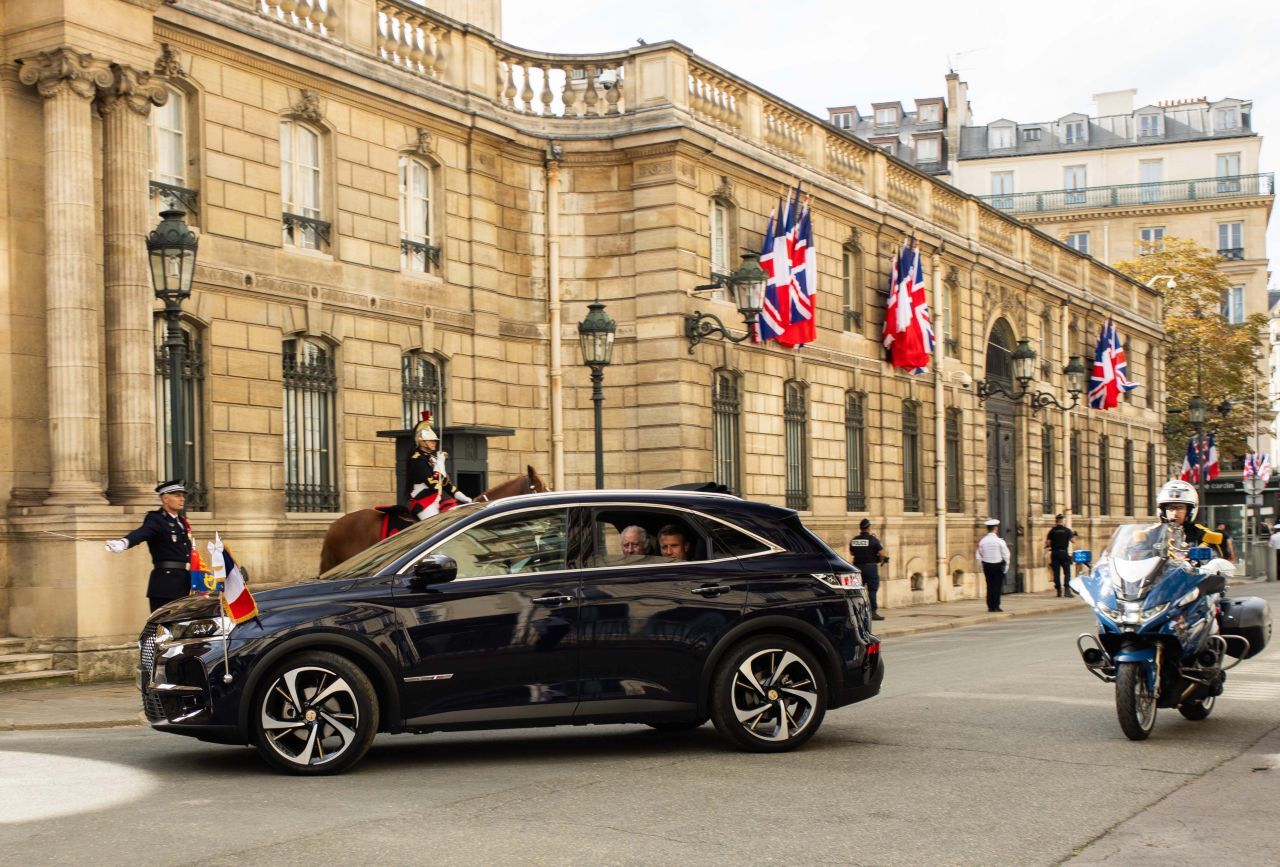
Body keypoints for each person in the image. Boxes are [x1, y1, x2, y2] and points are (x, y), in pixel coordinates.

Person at [105, 480, 195, 612]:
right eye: (177, 495)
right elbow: (143, 532)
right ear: (165, 498)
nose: (182, 499)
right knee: (161, 627)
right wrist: (124, 543)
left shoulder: (181, 522)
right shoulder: (156, 519)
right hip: (166, 583)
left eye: (182, 495)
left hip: (184, 580)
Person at [405, 411, 470, 519]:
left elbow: (444, 482)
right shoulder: (416, 459)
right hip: (423, 502)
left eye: (435, 440)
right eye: (431, 440)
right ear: (422, 441)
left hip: (437, 500)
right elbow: (433, 483)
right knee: (435, 529)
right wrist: (439, 464)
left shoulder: (432, 459)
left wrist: (461, 496)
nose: (434, 442)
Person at [1155, 480, 1224, 557]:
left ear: (1189, 511)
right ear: (1163, 511)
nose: (1175, 513)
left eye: (1180, 508)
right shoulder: (1153, 533)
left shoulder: (1202, 535)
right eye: (1170, 508)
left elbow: (1215, 562)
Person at [848, 518, 887, 621]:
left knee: (858, 591)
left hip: (857, 568)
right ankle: (873, 612)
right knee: (872, 590)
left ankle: (857, 612)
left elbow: (851, 553)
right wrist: (882, 559)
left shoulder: (854, 540)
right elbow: (882, 553)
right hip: (870, 568)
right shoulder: (873, 539)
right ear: (869, 527)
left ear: (860, 528)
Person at [976, 518, 1010, 613]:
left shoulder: (983, 541)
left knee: (989, 586)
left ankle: (990, 606)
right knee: (997, 586)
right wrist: (1006, 566)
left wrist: (981, 567)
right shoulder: (999, 541)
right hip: (997, 566)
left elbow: (978, 555)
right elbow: (1006, 554)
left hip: (987, 565)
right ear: (995, 528)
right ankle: (996, 606)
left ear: (987, 529)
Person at [1044, 513, 1078, 598]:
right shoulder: (1067, 530)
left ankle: (1059, 591)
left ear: (1056, 521)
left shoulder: (1052, 531)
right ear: (1062, 521)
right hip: (1064, 553)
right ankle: (1067, 590)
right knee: (1067, 572)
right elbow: (1073, 541)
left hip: (1055, 553)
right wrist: (1075, 535)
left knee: (1056, 573)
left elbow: (1048, 543)